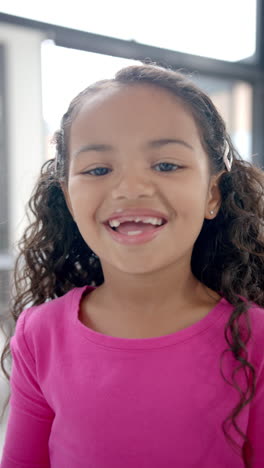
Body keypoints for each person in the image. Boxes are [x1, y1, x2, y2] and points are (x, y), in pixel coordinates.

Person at [0, 64, 264, 468]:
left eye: (166, 165)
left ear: (212, 194)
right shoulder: (39, 334)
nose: (130, 188)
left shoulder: (256, 340)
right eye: (99, 170)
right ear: (70, 200)